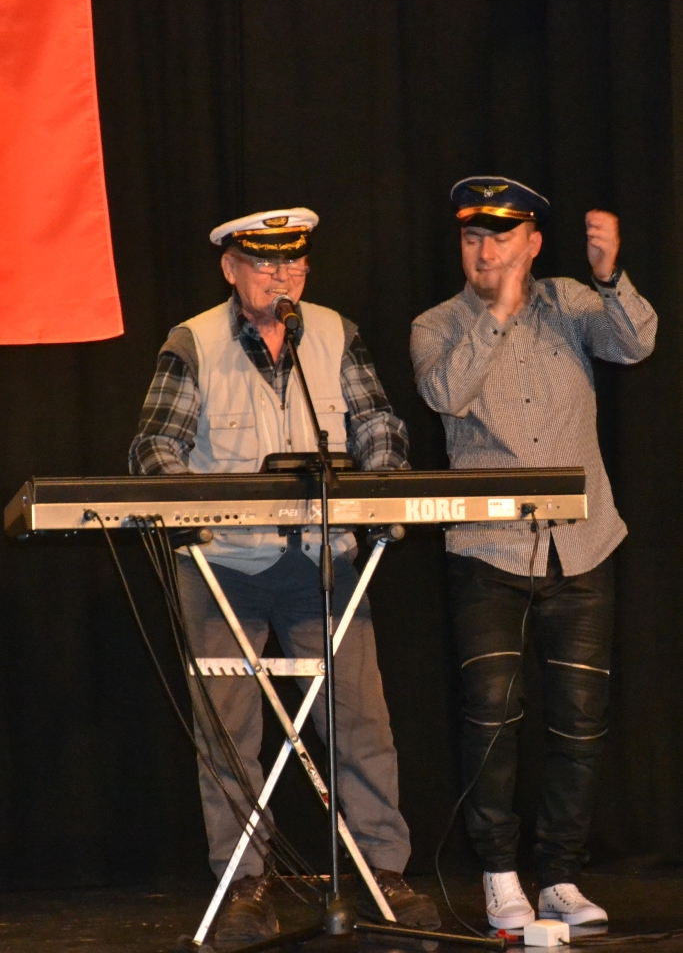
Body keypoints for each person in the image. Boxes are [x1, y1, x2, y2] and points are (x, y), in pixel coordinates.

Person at [130, 208, 439, 946]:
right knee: (229, 734)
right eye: (266, 263)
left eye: (294, 263)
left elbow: (380, 427)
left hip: (322, 562)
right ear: (230, 268)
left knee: (360, 722)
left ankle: (383, 876)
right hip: (223, 567)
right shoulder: (192, 341)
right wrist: (190, 511)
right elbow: (154, 447)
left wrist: (383, 491)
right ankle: (244, 886)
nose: (283, 277)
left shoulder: (333, 333)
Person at [410, 178, 657, 931]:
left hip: (582, 546)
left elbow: (636, 343)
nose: (485, 251)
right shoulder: (436, 323)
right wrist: (498, 314)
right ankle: (499, 873)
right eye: (472, 238)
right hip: (488, 553)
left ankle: (560, 876)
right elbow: (444, 394)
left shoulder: (570, 302)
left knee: (579, 718)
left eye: (501, 237)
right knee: (491, 715)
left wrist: (610, 276)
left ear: (534, 243)